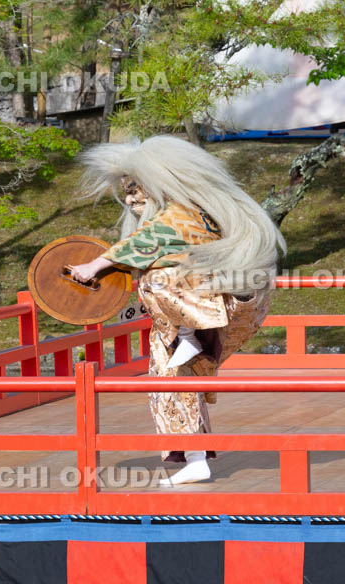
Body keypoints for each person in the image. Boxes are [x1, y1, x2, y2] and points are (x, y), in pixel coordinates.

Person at [68, 136, 286, 485]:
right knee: (169, 382)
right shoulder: (168, 224)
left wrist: (95, 265)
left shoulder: (184, 215)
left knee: (160, 278)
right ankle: (195, 458)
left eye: (137, 188)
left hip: (221, 308)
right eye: (126, 192)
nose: (132, 199)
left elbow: (150, 240)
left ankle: (193, 335)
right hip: (190, 318)